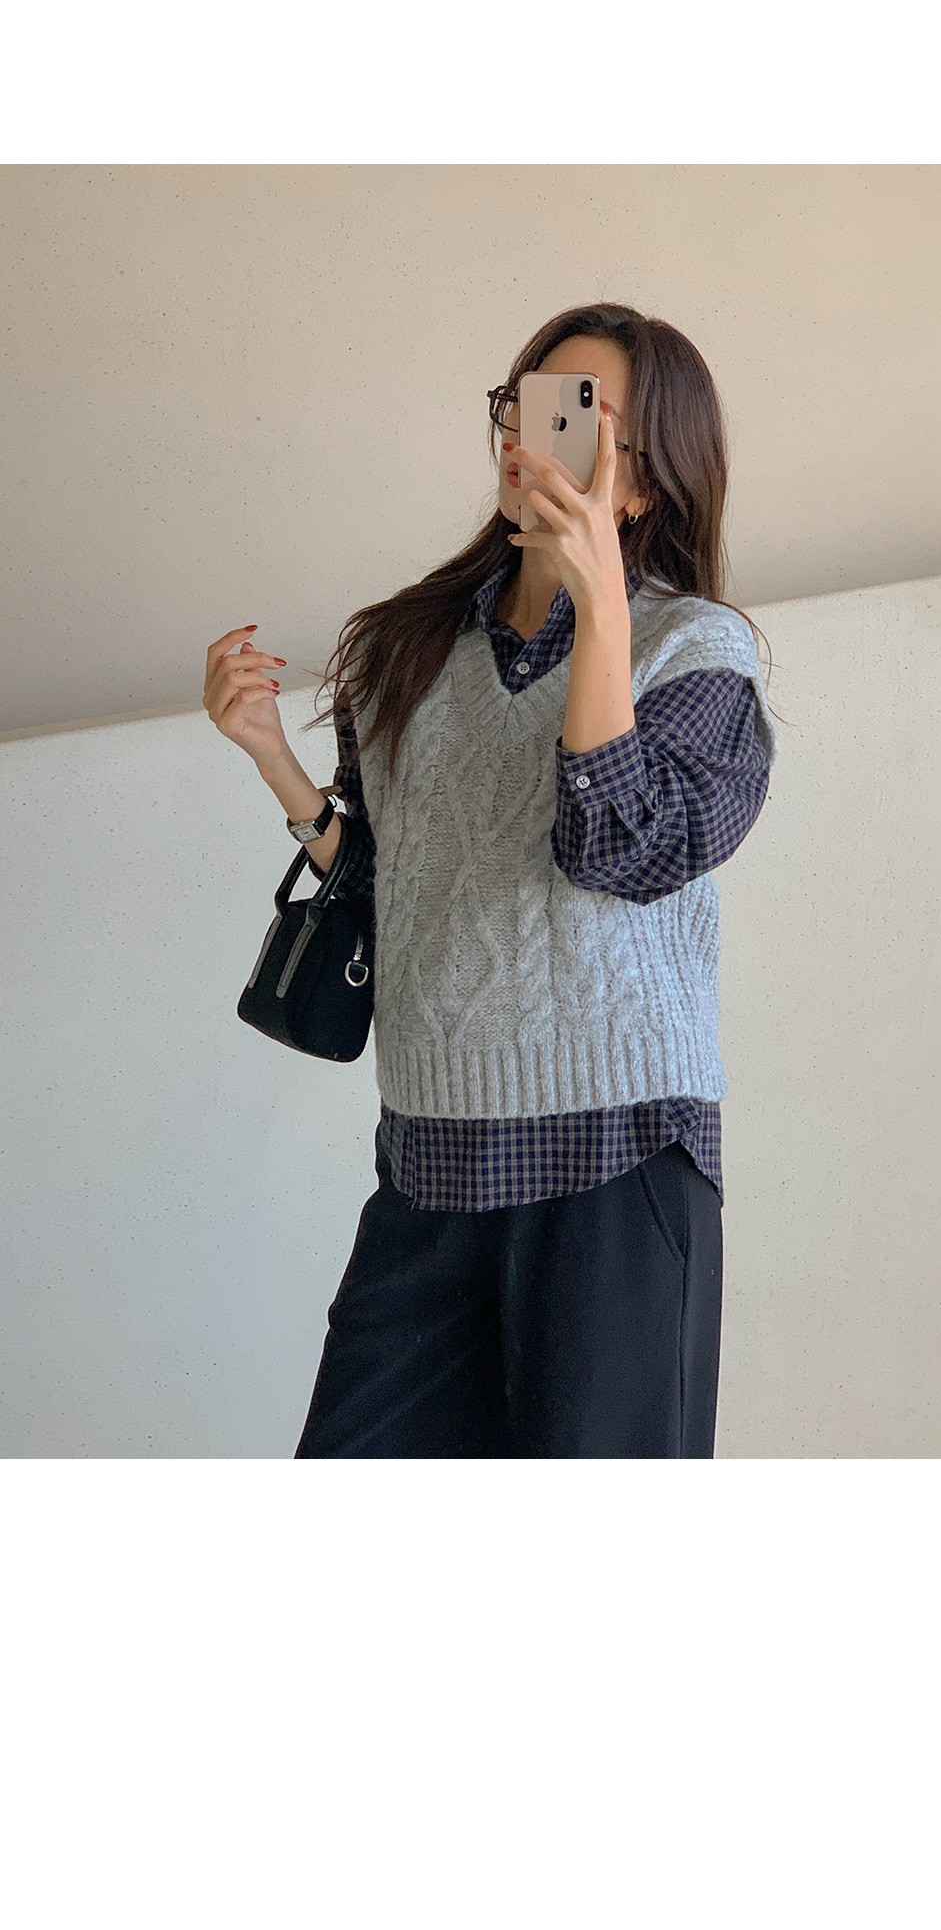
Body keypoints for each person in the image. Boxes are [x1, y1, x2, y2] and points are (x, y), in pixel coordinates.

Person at [203, 301, 780, 1457]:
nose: (533, 436)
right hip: (429, 1163)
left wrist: (602, 602)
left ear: (645, 477)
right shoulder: (405, 649)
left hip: (618, 1161)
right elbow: (395, 886)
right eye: (526, 403)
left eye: (581, 417)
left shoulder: (695, 650)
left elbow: (621, 849)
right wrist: (273, 761)